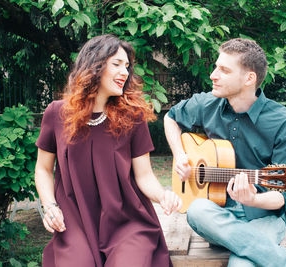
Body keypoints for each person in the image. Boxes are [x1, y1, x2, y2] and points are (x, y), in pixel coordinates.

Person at [164, 38, 286, 267]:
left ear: (249, 78)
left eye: (224, 70)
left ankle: (244, 242)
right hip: (215, 212)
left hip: (263, 216)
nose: (213, 75)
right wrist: (180, 154)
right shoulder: (208, 104)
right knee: (197, 210)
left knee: (241, 265)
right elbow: (170, 118)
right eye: (216, 67)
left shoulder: (284, 122)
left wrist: (253, 198)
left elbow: (281, 196)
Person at [34, 34, 181, 267]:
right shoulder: (56, 113)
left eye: (127, 66)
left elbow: (143, 175)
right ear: (94, 65)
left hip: (128, 223)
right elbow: (43, 169)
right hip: (76, 222)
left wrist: (163, 195)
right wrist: (49, 205)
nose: (124, 72)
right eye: (116, 64)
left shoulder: (133, 116)